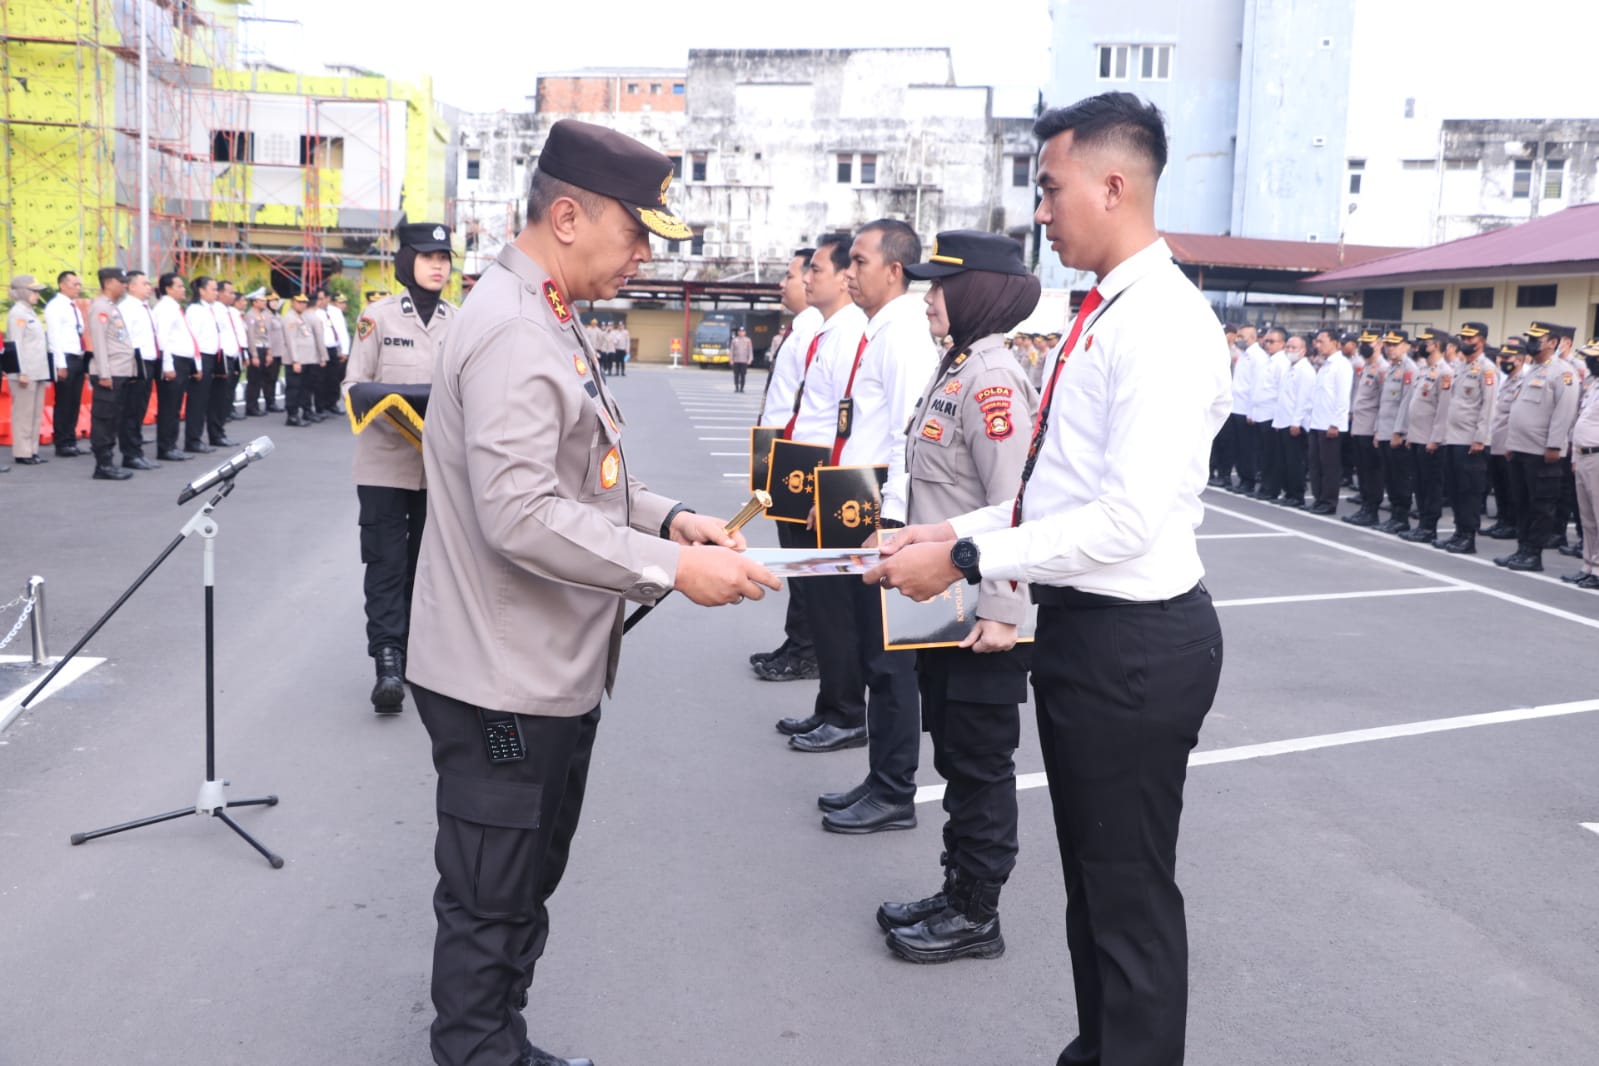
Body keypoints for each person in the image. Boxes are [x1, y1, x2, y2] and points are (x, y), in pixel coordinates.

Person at [405, 119, 779, 1066]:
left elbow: (580, 478)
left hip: (539, 671)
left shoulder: (544, 314)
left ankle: (499, 1042)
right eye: (637, 232)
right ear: (567, 216)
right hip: (503, 682)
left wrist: (667, 520)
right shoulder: (513, 330)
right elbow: (520, 513)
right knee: (492, 896)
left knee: (523, 881)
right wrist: (673, 571)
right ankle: (480, 1052)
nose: (645, 255)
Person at [867, 92, 1229, 1066]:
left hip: (1135, 643)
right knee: (1097, 886)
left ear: (1115, 185)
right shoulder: (1108, 312)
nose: (1041, 210)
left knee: (1128, 894)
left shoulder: (1159, 323)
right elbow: (1049, 498)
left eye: (1051, 186)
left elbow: (1124, 520)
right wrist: (953, 525)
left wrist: (968, 558)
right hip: (1092, 632)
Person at [873, 229, 1039, 964]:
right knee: (957, 758)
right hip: (944, 606)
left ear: (976, 292)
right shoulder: (958, 368)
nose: (928, 297)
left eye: (940, 285)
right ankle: (956, 887)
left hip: (982, 615)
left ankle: (977, 913)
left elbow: (1016, 506)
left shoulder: (994, 380)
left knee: (979, 764)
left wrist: (1005, 613)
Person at [809, 219, 936, 835]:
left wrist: (890, 522)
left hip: (885, 518)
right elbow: (862, 431)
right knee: (873, 653)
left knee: (890, 663)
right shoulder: (879, 330)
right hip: (861, 507)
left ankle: (894, 790)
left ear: (895, 270)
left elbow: (908, 439)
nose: (849, 272)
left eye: (859, 262)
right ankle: (880, 779)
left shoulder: (904, 334)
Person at [342, 223, 457, 713]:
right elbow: (354, 385)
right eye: (428, 255)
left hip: (441, 470)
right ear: (407, 259)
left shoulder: (462, 321)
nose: (438, 265)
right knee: (386, 563)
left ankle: (420, 656)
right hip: (385, 467)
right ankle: (387, 661)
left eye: (445, 257)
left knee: (429, 567)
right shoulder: (378, 317)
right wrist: (399, 405)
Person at [777, 235, 870, 739]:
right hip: (807, 472)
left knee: (836, 608)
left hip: (831, 483)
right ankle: (830, 702)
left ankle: (845, 711)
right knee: (819, 601)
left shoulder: (855, 332)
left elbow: (850, 425)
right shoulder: (828, 331)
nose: (808, 277)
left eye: (816, 268)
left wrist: (826, 491)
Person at [751, 249, 823, 682]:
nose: (788, 282)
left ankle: (807, 649)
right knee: (794, 559)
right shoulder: (801, 328)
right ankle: (797, 641)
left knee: (803, 561)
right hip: (781, 452)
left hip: (800, 457)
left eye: (794, 274)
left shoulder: (818, 328)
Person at [1497, 323, 1580, 571]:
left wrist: (1554, 445)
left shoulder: (1562, 372)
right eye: (1530, 338)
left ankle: (1534, 554)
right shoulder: (1532, 370)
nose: (1532, 342)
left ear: (1553, 342)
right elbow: (1519, 409)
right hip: (1521, 448)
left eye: (1537, 338)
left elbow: (1564, 412)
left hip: (1542, 451)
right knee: (1521, 502)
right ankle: (1522, 548)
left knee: (1541, 505)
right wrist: (1511, 442)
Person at [1434, 323, 1498, 553]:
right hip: (1453, 438)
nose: (1464, 341)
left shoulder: (1487, 369)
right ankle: (1458, 532)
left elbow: (1488, 407)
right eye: (1462, 337)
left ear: (1481, 341)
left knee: (1470, 491)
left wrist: (1481, 438)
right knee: (1455, 489)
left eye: (1469, 338)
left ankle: (1468, 537)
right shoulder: (1460, 367)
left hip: (1471, 440)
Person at [1395, 327, 1449, 543]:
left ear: (1436, 345)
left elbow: (1442, 410)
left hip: (1430, 440)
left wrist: (1435, 438)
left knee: (1431, 485)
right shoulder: (1425, 370)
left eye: (1425, 342)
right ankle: (1422, 524)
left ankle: (1429, 527)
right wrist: (1409, 433)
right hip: (1417, 437)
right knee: (1419, 484)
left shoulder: (1445, 372)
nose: (1421, 346)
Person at [85, 267, 137, 481]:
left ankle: (108, 462)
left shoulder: (111, 307)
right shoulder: (100, 308)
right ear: (108, 283)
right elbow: (98, 343)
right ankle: (103, 465)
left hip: (119, 371)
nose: (124, 285)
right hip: (109, 373)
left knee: (113, 418)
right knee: (104, 419)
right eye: (121, 282)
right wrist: (104, 374)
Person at [1562, 338, 1599, 589]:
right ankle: (1589, 565)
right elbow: (1580, 422)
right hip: (1583, 456)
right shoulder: (1593, 384)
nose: (1589, 361)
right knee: (1587, 518)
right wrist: (1575, 457)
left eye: (1593, 358)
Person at [116, 270, 161, 470]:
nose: (149, 287)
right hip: (135, 361)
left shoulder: (145, 307)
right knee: (131, 410)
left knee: (140, 408)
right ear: (131, 286)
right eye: (144, 283)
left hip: (149, 361)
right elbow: (125, 339)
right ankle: (130, 454)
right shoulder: (127, 308)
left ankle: (136, 451)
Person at [1374, 330, 1416, 533]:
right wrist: (1377, 430)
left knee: (1400, 478)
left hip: (1396, 434)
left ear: (1406, 346)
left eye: (1395, 344)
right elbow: (1384, 403)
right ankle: (1394, 514)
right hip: (1384, 430)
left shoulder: (1409, 369)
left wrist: (1399, 432)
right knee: (1389, 477)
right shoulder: (1392, 368)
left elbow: (1406, 405)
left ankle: (1402, 517)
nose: (1390, 348)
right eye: (1388, 344)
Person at [151, 272, 196, 461]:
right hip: (173, 361)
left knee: (175, 406)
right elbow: (163, 339)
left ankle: (171, 444)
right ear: (168, 289)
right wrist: (168, 365)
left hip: (182, 361)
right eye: (179, 286)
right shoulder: (165, 309)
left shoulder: (175, 308)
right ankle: (166, 447)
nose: (183, 289)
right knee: (169, 407)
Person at [1485, 338, 1527, 540]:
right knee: (1499, 485)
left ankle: (1512, 523)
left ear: (1519, 360)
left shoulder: (1523, 380)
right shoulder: (1506, 379)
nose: (1502, 361)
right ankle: (1502, 520)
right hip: (1496, 439)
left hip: (1510, 441)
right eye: (1501, 357)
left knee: (1510, 487)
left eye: (1507, 357)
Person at [6, 275, 50, 466]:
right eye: (34, 291)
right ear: (23, 292)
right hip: (24, 373)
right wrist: (21, 371)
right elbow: (15, 345)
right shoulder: (18, 314)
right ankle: (22, 452)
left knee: (35, 413)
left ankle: (32, 450)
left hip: (37, 370)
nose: (37, 294)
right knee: (23, 414)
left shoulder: (30, 312)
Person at [1307, 327, 1352, 514]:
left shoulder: (1341, 365)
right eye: (1317, 342)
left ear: (1334, 342)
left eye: (1321, 341)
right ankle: (1318, 498)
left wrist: (1335, 423)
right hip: (1317, 422)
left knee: (1330, 466)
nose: (1318, 345)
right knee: (1316, 464)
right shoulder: (1325, 364)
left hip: (1330, 425)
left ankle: (1329, 502)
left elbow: (1342, 397)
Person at [1344, 330, 1386, 525]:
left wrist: (1378, 429)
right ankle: (1365, 506)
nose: (1364, 345)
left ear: (1379, 344)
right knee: (1361, 469)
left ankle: (1372, 510)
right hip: (1360, 425)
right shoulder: (1367, 367)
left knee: (1372, 471)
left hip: (1371, 427)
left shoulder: (1382, 368)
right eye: (1363, 342)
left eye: (1369, 342)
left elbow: (1383, 403)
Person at [45, 270, 87, 458]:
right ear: (63, 285)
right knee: (63, 402)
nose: (78, 288)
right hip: (65, 358)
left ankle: (71, 439)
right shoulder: (55, 306)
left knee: (74, 402)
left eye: (79, 284)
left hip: (77, 357)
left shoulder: (74, 307)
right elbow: (54, 337)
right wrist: (60, 364)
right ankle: (62, 443)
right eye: (74, 284)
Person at [1273, 332, 1314, 508]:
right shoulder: (1289, 368)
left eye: (1294, 347)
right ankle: (1288, 492)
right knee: (1284, 460)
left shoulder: (1305, 371)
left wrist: (1296, 422)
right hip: (1284, 420)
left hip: (1294, 423)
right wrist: (1277, 421)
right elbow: (1283, 397)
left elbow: (1304, 400)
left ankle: (1297, 495)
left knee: (1295, 461)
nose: (1289, 350)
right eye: (1288, 347)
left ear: (1303, 351)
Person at [183, 277, 222, 453]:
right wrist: (196, 365)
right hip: (200, 359)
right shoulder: (195, 311)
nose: (216, 293)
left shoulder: (211, 309)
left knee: (207, 400)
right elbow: (193, 340)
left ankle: (200, 437)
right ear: (201, 291)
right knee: (197, 402)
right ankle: (193, 440)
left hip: (212, 357)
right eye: (213, 289)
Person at [1250, 327, 1288, 500]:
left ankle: (1271, 488)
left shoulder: (1282, 363)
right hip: (1261, 413)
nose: (1268, 344)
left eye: (1272, 341)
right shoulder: (1268, 361)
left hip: (1272, 415)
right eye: (1266, 341)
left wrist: (1279, 419)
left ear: (1282, 343)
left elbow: (1282, 393)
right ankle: (1265, 486)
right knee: (1264, 454)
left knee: (1273, 456)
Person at [282, 293, 320, 426]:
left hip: (307, 359)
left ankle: (306, 411)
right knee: (294, 388)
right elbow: (290, 340)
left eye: (304, 302)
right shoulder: (290, 318)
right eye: (299, 302)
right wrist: (295, 360)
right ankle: (292, 415)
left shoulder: (301, 317)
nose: (302, 305)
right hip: (297, 360)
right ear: (292, 303)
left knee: (306, 387)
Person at [212, 280, 244, 438]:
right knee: (220, 397)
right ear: (219, 293)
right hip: (222, 357)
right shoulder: (215, 310)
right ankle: (217, 432)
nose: (232, 295)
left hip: (234, 355)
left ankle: (221, 430)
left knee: (227, 393)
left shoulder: (231, 311)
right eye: (229, 292)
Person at [243, 290, 273, 416]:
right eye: (262, 301)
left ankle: (255, 405)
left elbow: (267, 334)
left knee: (260, 378)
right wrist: (254, 355)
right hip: (255, 348)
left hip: (263, 348)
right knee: (254, 379)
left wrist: (269, 351)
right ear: (254, 302)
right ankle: (251, 406)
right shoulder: (250, 315)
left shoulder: (263, 314)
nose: (265, 303)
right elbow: (250, 336)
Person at [327, 291, 352, 415]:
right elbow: (341, 333)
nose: (343, 305)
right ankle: (330, 403)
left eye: (344, 302)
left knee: (334, 378)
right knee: (332, 379)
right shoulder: (334, 312)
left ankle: (331, 403)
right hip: (335, 349)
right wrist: (345, 351)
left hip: (337, 349)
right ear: (333, 302)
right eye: (340, 302)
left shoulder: (337, 313)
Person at [728, 325, 753, 392]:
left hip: (744, 360)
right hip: (736, 360)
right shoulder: (734, 340)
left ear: (745, 332)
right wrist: (731, 359)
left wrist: (750, 359)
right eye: (740, 331)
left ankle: (742, 388)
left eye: (743, 331)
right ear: (738, 332)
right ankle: (736, 387)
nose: (741, 333)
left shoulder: (748, 340)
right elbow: (732, 350)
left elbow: (750, 350)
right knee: (736, 375)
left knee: (743, 375)